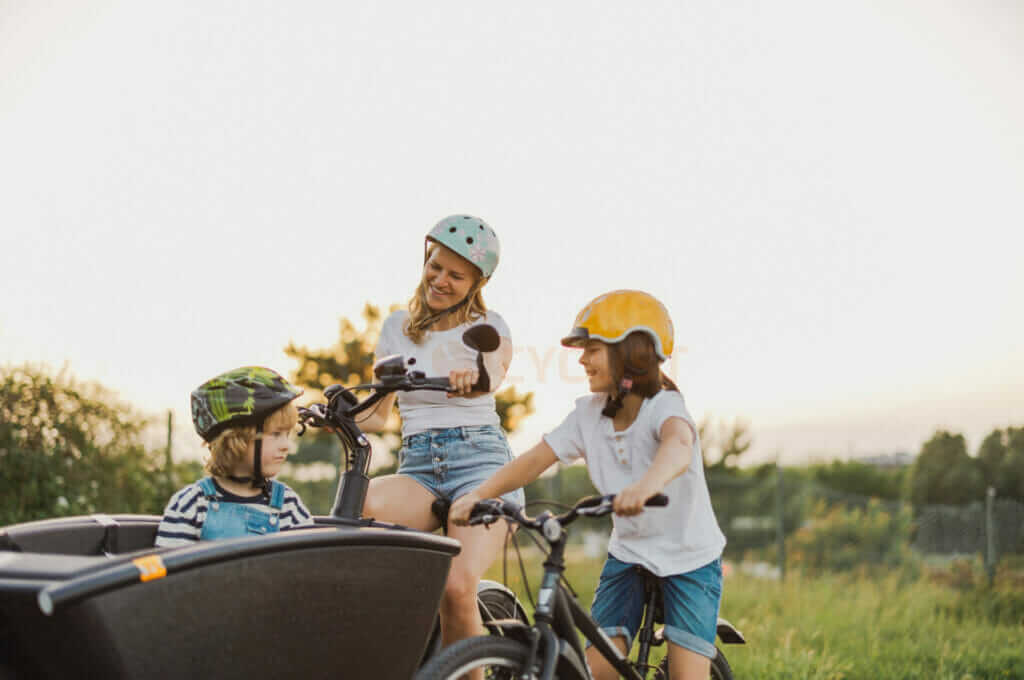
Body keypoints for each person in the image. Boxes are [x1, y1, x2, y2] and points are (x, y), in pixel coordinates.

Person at [451, 290, 727, 680]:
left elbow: (678, 448)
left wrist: (646, 486)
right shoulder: (588, 415)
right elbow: (534, 460)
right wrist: (480, 494)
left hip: (689, 559)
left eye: (592, 349)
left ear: (633, 354)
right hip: (630, 554)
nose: (581, 359)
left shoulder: (664, 406)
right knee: (597, 673)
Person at [357, 214, 522, 650]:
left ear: (476, 283)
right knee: (358, 517)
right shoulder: (396, 327)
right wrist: (332, 410)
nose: (440, 280)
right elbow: (376, 416)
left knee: (456, 586)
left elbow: (494, 374)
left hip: (481, 467)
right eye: (435, 265)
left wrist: (475, 376)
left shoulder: (488, 328)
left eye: (456, 274)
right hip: (419, 468)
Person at [155, 366, 314, 547]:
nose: (286, 446)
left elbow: (306, 569)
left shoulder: (287, 505)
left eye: (287, 434)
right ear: (236, 439)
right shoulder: (193, 504)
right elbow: (171, 572)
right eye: (276, 434)